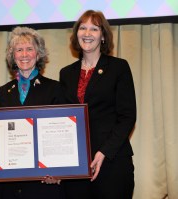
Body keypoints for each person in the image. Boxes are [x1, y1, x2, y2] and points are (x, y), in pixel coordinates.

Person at [0, 26, 65, 199]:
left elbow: (62, 135)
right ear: (13, 56)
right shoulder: (3, 92)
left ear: (38, 54)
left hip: (42, 184)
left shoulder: (56, 89)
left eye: (29, 49)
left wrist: (59, 172)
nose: (24, 54)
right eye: (19, 50)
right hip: (7, 184)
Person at [59, 10, 136, 199]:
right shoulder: (66, 73)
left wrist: (104, 152)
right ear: (76, 34)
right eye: (83, 28)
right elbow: (62, 119)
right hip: (77, 165)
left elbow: (127, 116)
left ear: (103, 36)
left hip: (112, 160)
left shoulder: (119, 67)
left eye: (94, 29)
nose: (87, 33)